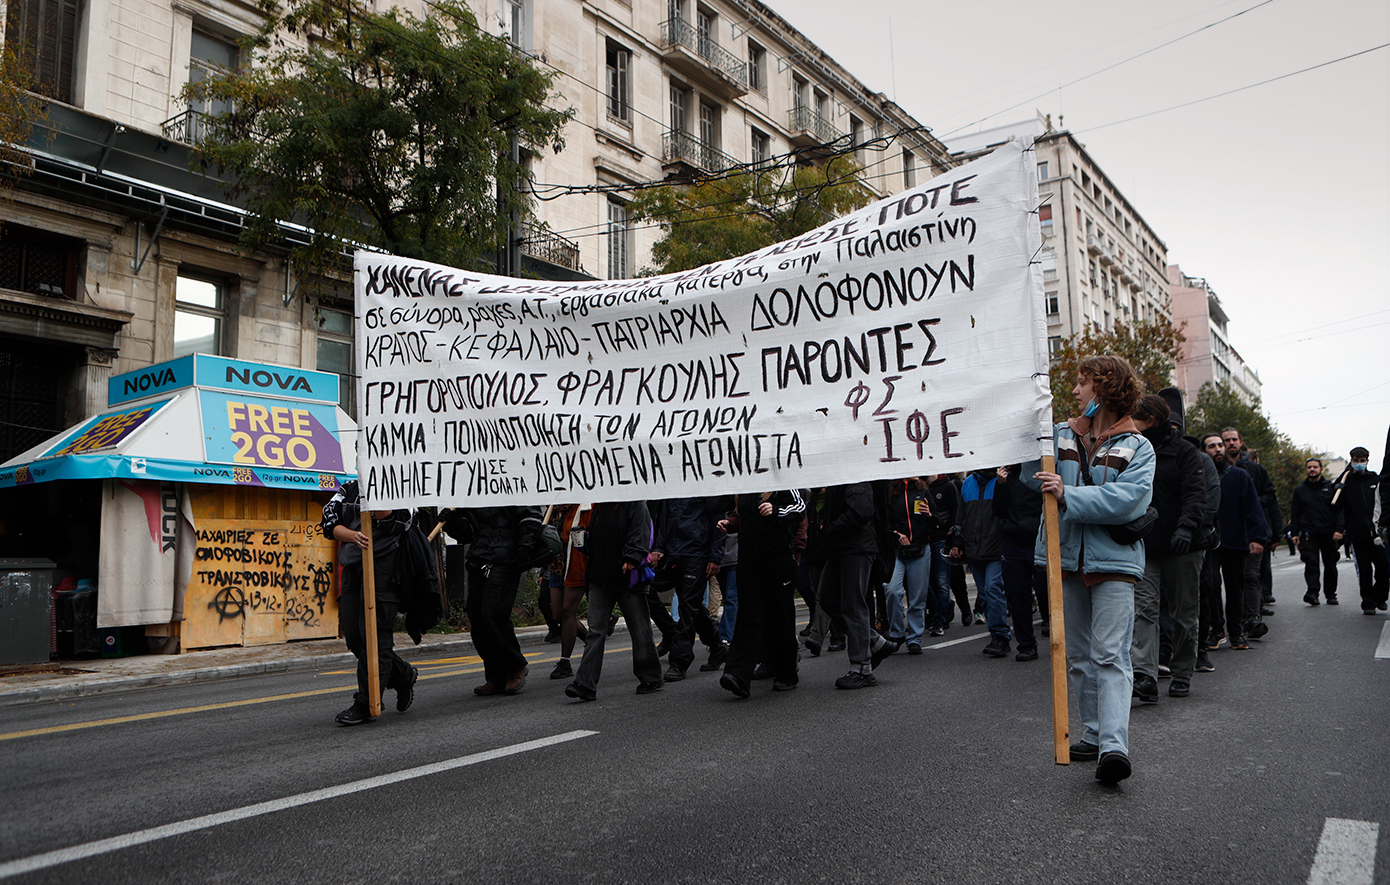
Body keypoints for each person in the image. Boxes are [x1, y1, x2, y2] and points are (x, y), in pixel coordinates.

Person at [1027, 354, 1154, 785]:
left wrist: (1069, 496)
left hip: (1115, 563)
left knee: (1110, 655)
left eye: (1083, 383)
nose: (1076, 391)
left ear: (1103, 389)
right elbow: (1032, 473)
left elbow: (1129, 500)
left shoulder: (1138, 446)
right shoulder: (1059, 434)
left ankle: (1114, 747)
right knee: (1078, 656)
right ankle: (1094, 733)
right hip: (1065, 560)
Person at [322, 480, 417, 726]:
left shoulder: (401, 483)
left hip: (384, 570)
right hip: (353, 567)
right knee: (355, 637)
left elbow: (394, 523)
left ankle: (367, 702)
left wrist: (377, 491)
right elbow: (329, 520)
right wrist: (352, 535)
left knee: (376, 637)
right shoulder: (349, 488)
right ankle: (403, 674)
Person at [1130, 395, 1206, 700]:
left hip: (1182, 545)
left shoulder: (1186, 452)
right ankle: (1145, 675)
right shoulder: (1135, 451)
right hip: (1146, 545)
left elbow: (1195, 495)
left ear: (1150, 420)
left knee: (1183, 613)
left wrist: (1186, 528)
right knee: (1144, 610)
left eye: (1134, 418)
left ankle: (1182, 671)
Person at [565, 500, 662, 700]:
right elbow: (598, 541)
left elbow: (641, 532)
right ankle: (585, 683)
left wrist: (632, 557)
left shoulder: (635, 504)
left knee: (639, 628)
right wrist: (584, 539)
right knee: (595, 631)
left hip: (627, 577)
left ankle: (650, 675)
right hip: (600, 576)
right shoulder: (598, 508)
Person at [442, 505, 542, 697]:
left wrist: (525, 547)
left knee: (493, 613)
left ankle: (515, 666)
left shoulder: (514, 486)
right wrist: (451, 521)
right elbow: (466, 533)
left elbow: (531, 516)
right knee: (477, 617)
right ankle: (496, 676)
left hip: (506, 557)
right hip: (480, 556)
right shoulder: (473, 495)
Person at [717, 489, 807, 697]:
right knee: (749, 615)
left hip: (778, 559)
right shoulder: (744, 486)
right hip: (749, 561)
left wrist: (777, 510)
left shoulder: (781, 482)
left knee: (780, 616)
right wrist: (731, 524)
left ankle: (787, 672)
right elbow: (742, 517)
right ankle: (738, 674)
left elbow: (800, 508)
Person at [817, 482, 897, 689]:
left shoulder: (853, 476)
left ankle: (862, 668)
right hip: (840, 547)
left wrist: (832, 527)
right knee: (828, 598)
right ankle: (875, 642)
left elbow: (862, 511)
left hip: (857, 546)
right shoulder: (838, 477)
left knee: (853, 605)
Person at [650, 496, 729, 681]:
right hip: (674, 552)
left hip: (697, 552)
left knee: (687, 606)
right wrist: (660, 547)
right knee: (690, 604)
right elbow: (664, 517)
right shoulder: (672, 486)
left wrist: (715, 556)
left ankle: (679, 660)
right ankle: (717, 647)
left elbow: (717, 518)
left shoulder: (705, 485)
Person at [1202, 433, 1268, 651]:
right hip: (1208, 543)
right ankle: (1217, 630)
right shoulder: (1199, 476)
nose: (1218, 449)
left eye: (1220, 445)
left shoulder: (1239, 476)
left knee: (1235, 588)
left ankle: (1237, 632)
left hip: (1236, 541)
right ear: (1204, 452)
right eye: (1212, 446)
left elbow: (1253, 508)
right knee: (1210, 586)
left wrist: (1258, 538)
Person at [993, 464, 1048, 661]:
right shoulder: (1008, 476)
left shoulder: (1042, 469)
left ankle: (1057, 633)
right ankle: (1026, 645)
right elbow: (998, 510)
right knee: (1017, 595)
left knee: (1045, 590)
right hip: (1015, 541)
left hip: (1041, 538)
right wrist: (1000, 484)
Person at [1222, 428, 1280, 612]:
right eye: (1226, 440)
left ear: (1240, 442)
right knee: (1230, 577)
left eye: (1234, 439)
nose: (1231, 443)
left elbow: (1270, 497)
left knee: (1252, 574)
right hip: (1226, 532)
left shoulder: (1256, 470)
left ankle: (1253, 614)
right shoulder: (1215, 470)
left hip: (1252, 530)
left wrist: (1250, 501)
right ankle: (1236, 615)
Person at [956, 468, 1010, 657]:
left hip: (996, 547)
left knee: (993, 589)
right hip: (974, 549)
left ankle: (1001, 635)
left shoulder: (1001, 480)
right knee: (986, 593)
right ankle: (996, 633)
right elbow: (961, 516)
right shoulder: (968, 483)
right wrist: (957, 541)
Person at [884, 477, 935, 654]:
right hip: (896, 551)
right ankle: (897, 632)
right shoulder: (890, 492)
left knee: (917, 597)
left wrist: (929, 514)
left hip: (920, 548)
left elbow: (936, 523)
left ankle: (914, 638)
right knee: (892, 590)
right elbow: (883, 522)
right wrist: (895, 534)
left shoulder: (923, 490)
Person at [1338, 446, 1388, 614]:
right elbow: (1334, 503)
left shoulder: (1375, 480)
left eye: (1362, 460)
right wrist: (1341, 481)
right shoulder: (1346, 483)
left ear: (1367, 460)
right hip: (1357, 534)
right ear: (1351, 461)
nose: (1359, 464)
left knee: (1384, 567)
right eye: (1356, 461)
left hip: (1376, 533)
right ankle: (1367, 602)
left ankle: (1380, 596)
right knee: (1364, 569)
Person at [547, 503, 592, 680]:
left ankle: (564, 661)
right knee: (558, 614)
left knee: (568, 610)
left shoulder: (585, 505)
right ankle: (592, 642)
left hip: (576, 560)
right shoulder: (553, 507)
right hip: (557, 561)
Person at [1288, 459, 1343, 606]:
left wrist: (1339, 530)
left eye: (1315, 467)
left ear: (1321, 469)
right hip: (1309, 532)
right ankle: (1312, 592)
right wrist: (1294, 533)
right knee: (1311, 563)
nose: (1312, 469)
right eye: (1309, 467)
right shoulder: (1300, 490)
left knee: (1330, 564)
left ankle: (1331, 594)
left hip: (1328, 532)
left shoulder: (1331, 488)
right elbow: (1295, 512)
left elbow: (1339, 510)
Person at [923, 474, 961, 636]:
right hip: (924, 540)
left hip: (941, 539)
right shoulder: (921, 488)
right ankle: (942, 607)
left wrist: (955, 541)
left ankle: (940, 619)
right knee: (926, 582)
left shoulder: (947, 486)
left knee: (942, 581)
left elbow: (956, 513)